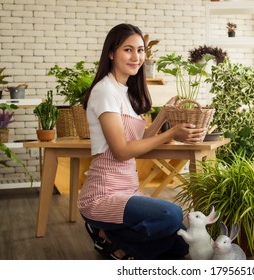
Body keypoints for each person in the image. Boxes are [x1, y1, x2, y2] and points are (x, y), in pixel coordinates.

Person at [77, 23, 206, 260]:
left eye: (140, 50)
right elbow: (122, 151)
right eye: (128, 50)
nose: (136, 57)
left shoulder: (125, 91)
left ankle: (122, 245)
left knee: (183, 245)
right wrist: (171, 133)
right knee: (171, 214)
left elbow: (141, 141)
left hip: (128, 189)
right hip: (103, 194)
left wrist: (164, 116)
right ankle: (108, 236)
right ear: (111, 53)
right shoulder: (104, 91)